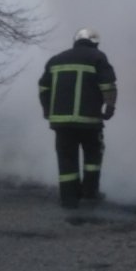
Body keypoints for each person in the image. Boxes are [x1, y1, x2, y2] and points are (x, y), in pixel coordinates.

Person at [39, 28, 117, 209]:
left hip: (62, 123)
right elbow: (108, 85)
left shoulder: (56, 59)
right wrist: (110, 108)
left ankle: (69, 198)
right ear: (95, 43)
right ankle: (90, 193)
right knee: (93, 157)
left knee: (66, 159)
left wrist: (48, 111)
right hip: (89, 122)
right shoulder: (98, 57)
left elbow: (43, 88)